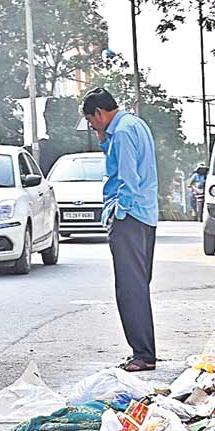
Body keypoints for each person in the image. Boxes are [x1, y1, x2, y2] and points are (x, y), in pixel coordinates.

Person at [82, 87, 159, 372]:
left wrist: (118, 213)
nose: (92, 127)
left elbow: (127, 177)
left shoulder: (123, 133)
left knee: (130, 289)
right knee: (138, 285)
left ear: (100, 113)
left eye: (92, 121)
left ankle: (143, 354)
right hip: (145, 216)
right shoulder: (134, 125)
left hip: (129, 216)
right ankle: (144, 351)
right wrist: (104, 139)